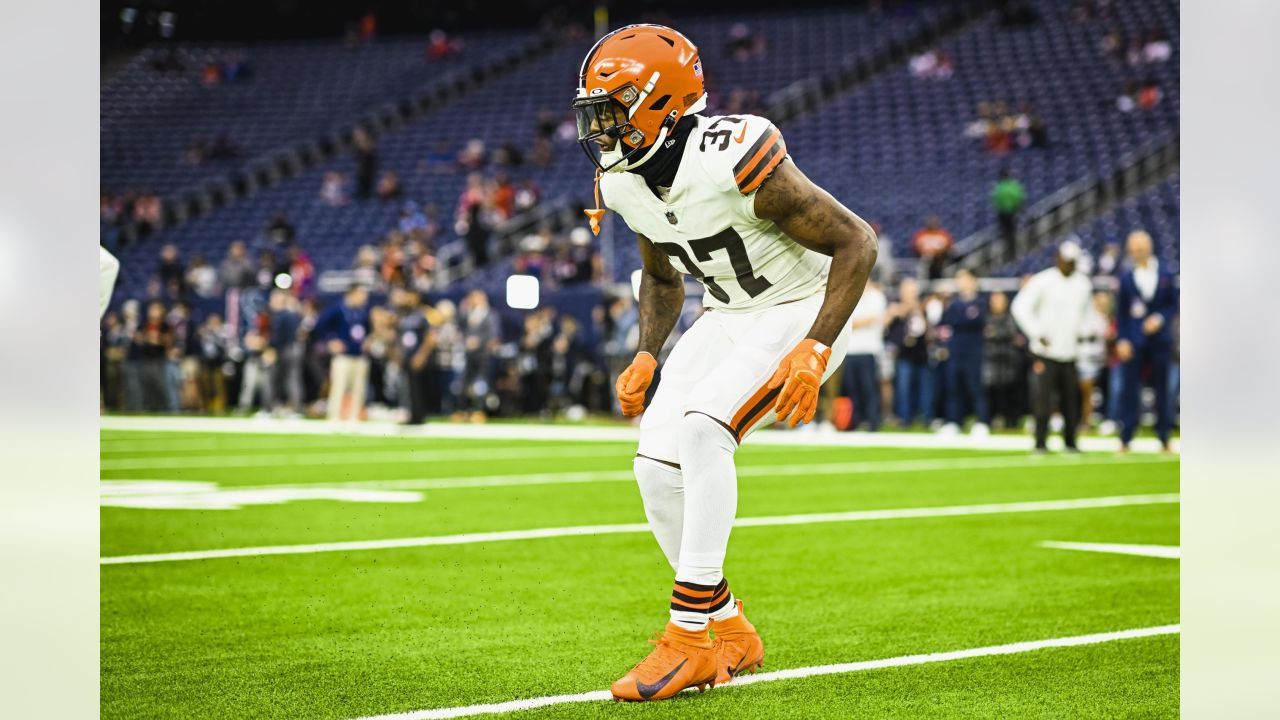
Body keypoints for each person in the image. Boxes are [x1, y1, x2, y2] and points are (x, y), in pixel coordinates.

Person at [573, 25, 877, 702]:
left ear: (662, 103)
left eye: (612, 108)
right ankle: (731, 628)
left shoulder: (733, 155)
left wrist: (817, 344)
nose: (600, 125)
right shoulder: (621, 182)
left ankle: (686, 640)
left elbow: (857, 241)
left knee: (705, 430)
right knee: (654, 466)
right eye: (593, 110)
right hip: (727, 316)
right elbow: (661, 279)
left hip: (801, 306)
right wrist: (647, 352)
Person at [1010, 241, 1094, 452]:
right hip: (1045, 352)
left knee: (1070, 400)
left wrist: (1083, 333)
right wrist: (1037, 332)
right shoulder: (1043, 280)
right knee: (1043, 399)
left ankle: (1071, 441)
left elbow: (1086, 314)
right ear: (1058, 258)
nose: (1069, 266)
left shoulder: (1083, 284)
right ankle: (1040, 441)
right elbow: (1020, 307)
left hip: (1070, 351)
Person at [1115, 230, 1177, 452]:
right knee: (1130, 390)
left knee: (1163, 389)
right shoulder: (1126, 277)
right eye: (1134, 248)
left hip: (1160, 340)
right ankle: (1126, 438)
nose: (1137, 252)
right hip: (1134, 341)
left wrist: (1159, 319)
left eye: (1141, 248)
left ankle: (1164, 436)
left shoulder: (1166, 273)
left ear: (1149, 247)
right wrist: (1122, 339)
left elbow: (1173, 304)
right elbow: (1121, 313)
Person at [940, 270, 989, 436]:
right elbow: (947, 322)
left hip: (974, 351)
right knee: (954, 387)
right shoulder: (954, 303)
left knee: (975, 387)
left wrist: (963, 320)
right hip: (956, 350)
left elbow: (975, 321)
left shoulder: (980, 302)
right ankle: (954, 421)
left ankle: (982, 421)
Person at [314, 284, 371, 422]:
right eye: (361, 294)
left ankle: (354, 417)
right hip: (343, 356)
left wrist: (368, 341)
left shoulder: (362, 312)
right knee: (338, 387)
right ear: (351, 293)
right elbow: (320, 326)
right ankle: (334, 416)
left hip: (359, 355)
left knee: (359, 389)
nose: (364, 298)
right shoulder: (337, 309)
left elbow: (367, 330)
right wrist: (331, 341)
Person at [840, 277, 887, 431]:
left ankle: (872, 421)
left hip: (868, 349)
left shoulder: (876, 296)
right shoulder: (852, 292)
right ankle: (854, 421)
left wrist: (850, 323)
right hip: (850, 350)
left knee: (869, 388)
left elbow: (870, 319)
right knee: (852, 389)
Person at [983, 291, 1024, 430]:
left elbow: (1013, 335)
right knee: (992, 391)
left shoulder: (1012, 318)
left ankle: (1012, 419)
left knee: (1011, 391)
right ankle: (993, 418)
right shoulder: (986, 318)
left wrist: (995, 334)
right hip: (992, 360)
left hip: (1008, 361)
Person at [395, 288, 435, 425]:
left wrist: (421, 355)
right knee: (407, 388)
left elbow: (430, 337)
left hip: (417, 356)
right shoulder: (404, 315)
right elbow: (399, 337)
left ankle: (419, 416)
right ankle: (411, 415)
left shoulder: (422, 315)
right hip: (406, 356)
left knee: (419, 388)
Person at [991, 168, 1026, 262]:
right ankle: (1013, 255)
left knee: (1005, 235)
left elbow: (995, 202)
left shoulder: (999, 187)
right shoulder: (1014, 186)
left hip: (1003, 214)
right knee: (1012, 235)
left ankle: (1006, 256)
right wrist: (1020, 210)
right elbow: (1020, 200)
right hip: (1012, 213)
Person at [912, 215, 953, 281]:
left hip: (940, 261)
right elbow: (916, 248)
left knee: (946, 266)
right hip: (926, 260)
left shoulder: (943, 234)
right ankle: (923, 284)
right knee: (924, 263)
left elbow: (949, 248)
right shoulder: (921, 234)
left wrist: (937, 253)